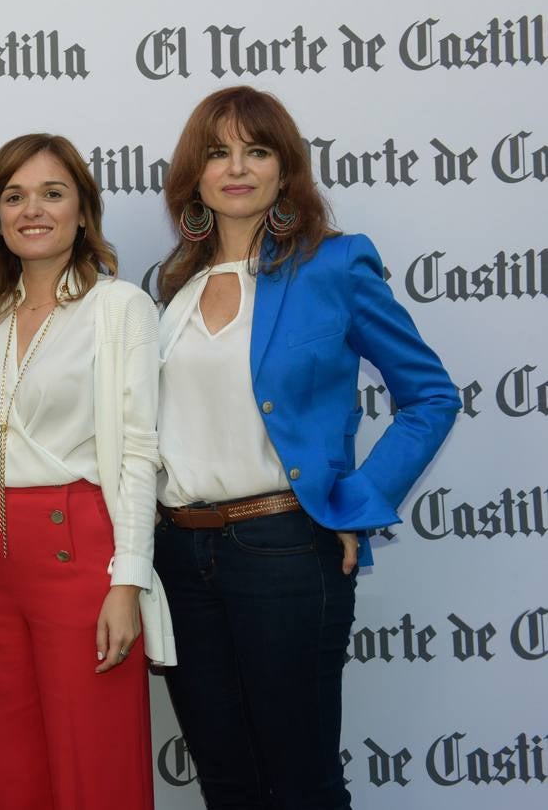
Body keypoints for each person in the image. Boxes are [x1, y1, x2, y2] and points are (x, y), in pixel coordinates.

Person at [153, 85, 459, 810]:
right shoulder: (174, 288)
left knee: (302, 787)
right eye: (217, 152)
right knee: (226, 785)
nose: (236, 167)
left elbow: (431, 396)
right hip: (181, 559)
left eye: (256, 151)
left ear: (285, 171)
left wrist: (355, 503)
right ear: (193, 176)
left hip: (286, 547)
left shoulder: (335, 266)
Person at [0, 133, 171, 810]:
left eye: (53, 193)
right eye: (13, 197)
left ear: (83, 210)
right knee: (10, 771)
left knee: (93, 769)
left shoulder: (119, 307)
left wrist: (127, 580)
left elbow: (139, 449)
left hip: (80, 559)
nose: (32, 210)